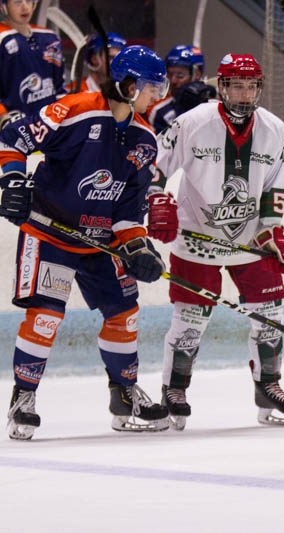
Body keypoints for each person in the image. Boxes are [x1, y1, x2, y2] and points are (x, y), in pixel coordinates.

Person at [0, 45, 171, 439]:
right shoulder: (74, 110)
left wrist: (137, 247)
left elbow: (129, 211)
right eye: (152, 89)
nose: (156, 99)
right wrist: (12, 181)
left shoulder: (145, 140)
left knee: (124, 313)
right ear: (130, 85)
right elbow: (13, 139)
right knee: (46, 316)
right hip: (50, 232)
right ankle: (23, 398)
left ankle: (124, 393)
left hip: (100, 242)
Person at [148, 53, 284, 431]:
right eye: (237, 85)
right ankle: (175, 388)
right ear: (222, 86)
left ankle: (268, 385)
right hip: (195, 234)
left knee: (270, 311)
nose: (245, 94)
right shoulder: (192, 123)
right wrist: (156, 201)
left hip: (248, 239)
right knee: (190, 318)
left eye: (251, 86)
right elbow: (152, 166)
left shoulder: (275, 128)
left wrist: (272, 227)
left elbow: (274, 184)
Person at [0, 0, 65, 129]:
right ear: (3, 6)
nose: (25, 7)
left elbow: (59, 86)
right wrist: (3, 116)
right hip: (14, 129)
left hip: (49, 126)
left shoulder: (50, 38)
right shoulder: (2, 39)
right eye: (17, 2)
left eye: (28, 0)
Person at [148, 44, 215, 134]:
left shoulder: (214, 103)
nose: (173, 81)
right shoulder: (159, 110)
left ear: (197, 74)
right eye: (170, 74)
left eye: (180, 75)